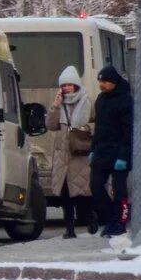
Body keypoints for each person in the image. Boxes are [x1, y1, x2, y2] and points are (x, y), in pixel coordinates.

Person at [48, 66, 96, 238]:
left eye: (70, 85)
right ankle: (69, 228)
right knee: (65, 194)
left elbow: (96, 124)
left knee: (83, 192)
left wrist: (84, 128)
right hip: (63, 155)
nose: (67, 88)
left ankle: (91, 219)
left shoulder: (87, 101)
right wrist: (54, 106)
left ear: (76, 85)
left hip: (80, 153)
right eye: (64, 85)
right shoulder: (60, 105)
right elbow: (51, 126)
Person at [90, 65, 133, 237]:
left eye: (105, 82)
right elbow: (99, 128)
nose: (102, 85)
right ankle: (110, 219)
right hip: (101, 151)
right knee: (95, 187)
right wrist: (93, 149)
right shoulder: (101, 99)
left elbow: (128, 131)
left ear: (114, 82)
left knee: (119, 190)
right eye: (100, 81)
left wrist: (124, 156)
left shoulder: (125, 100)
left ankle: (120, 223)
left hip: (118, 153)